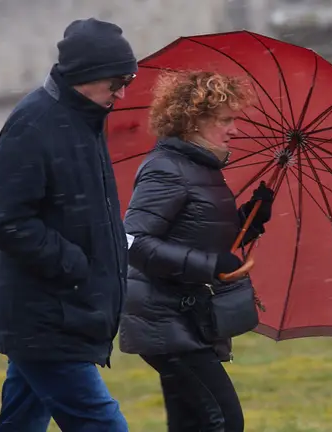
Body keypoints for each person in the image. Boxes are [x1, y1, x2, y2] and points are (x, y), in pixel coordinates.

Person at [0, 18, 137, 432]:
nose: (122, 93)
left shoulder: (86, 121)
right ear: (85, 75)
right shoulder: (34, 124)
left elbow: (84, 213)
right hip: (49, 317)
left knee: (21, 422)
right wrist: (74, 264)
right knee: (104, 425)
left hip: (64, 313)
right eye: (117, 82)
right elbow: (4, 220)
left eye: (129, 81)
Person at [118, 70, 275, 432]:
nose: (234, 129)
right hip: (163, 320)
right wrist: (210, 265)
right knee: (223, 421)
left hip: (185, 318)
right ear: (193, 121)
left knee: (192, 424)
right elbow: (133, 242)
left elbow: (198, 234)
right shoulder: (166, 169)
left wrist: (250, 219)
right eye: (226, 120)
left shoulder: (200, 168)